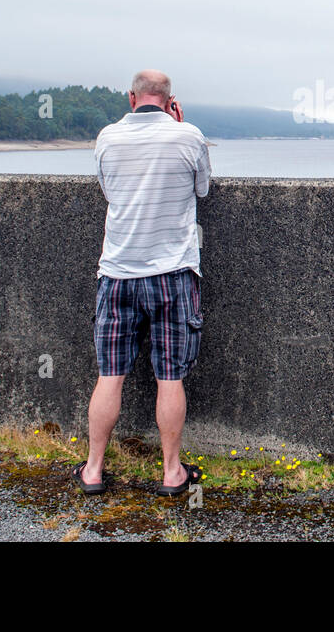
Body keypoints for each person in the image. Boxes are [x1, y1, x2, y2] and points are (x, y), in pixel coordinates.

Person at [73, 68, 211, 497]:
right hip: (172, 275)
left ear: (131, 98)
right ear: (170, 101)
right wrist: (178, 127)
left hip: (117, 274)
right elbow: (202, 189)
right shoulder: (188, 136)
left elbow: (109, 192)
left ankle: (93, 470)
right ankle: (172, 473)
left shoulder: (106, 138)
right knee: (170, 378)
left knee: (109, 375)